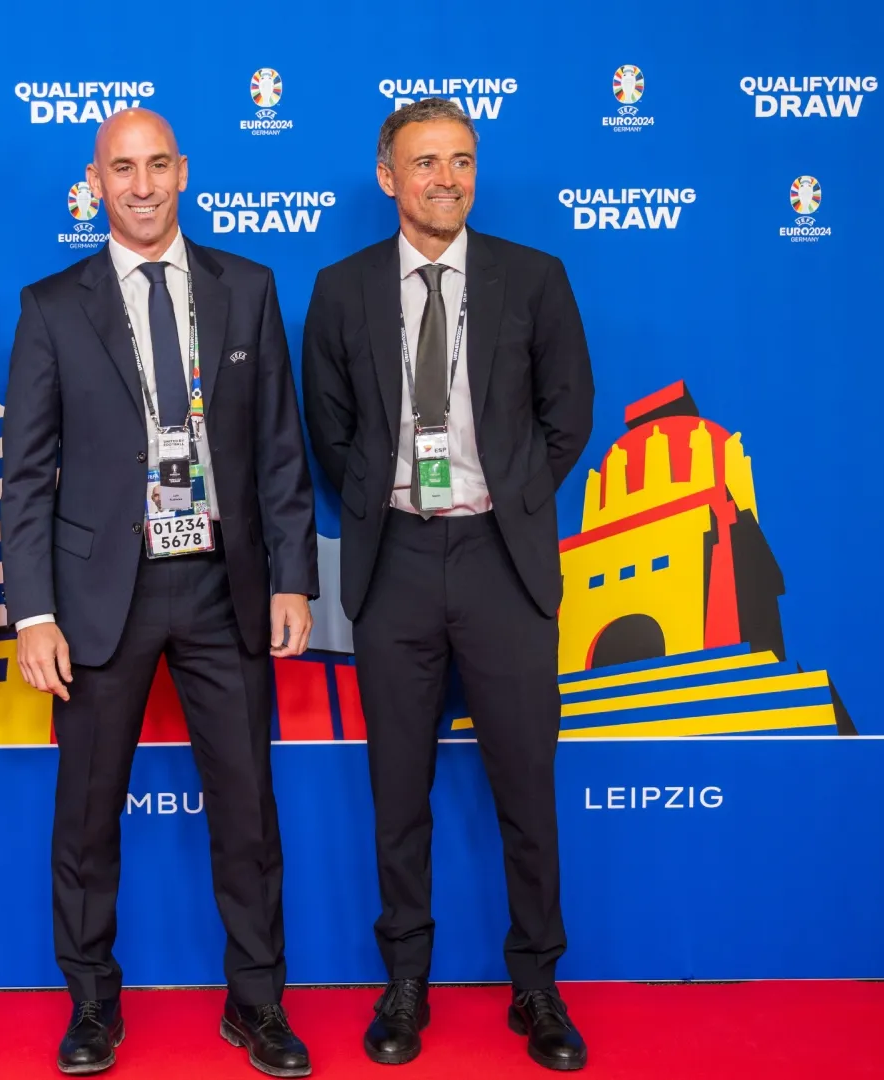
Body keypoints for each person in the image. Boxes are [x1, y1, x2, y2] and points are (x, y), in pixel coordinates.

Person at [2, 108, 318, 1079]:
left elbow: (279, 449)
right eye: (121, 168)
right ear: (95, 181)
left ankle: (257, 1003)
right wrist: (34, 612)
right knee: (86, 815)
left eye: (156, 165)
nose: (140, 185)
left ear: (183, 171)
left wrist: (294, 578)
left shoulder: (247, 288)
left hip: (226, 585)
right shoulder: (52, 306)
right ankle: (92, 1005)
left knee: (248, 810)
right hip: (104, 594)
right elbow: (27, 477)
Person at [300, 98, 595, 1071]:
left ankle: (537, 985)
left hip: (502, 561)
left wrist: (511, 496)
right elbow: (331, 429)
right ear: (388, 177)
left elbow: (568, 412)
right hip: (394, 564)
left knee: (527, 787)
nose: (446, 179)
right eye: (425, 162)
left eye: (461, 160)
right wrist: (388, 508)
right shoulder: (342, 289)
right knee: (399, 790)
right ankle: (405, 983)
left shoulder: (534, 278)